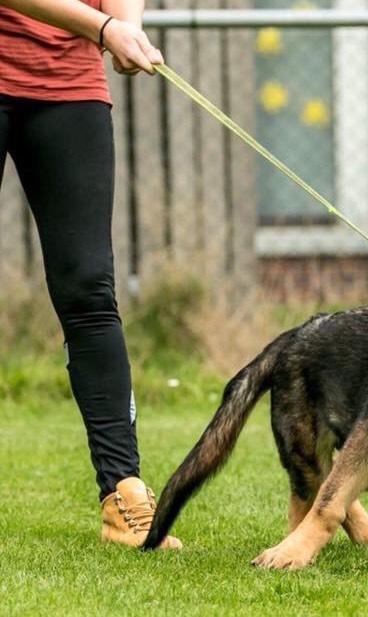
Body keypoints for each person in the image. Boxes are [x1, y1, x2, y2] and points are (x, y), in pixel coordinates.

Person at [0, 0, 180, 549]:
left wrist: (128, 27)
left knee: (89, 290)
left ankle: (123, 494)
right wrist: (104, 28)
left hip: (69, 87)